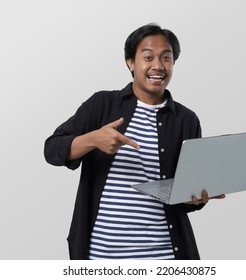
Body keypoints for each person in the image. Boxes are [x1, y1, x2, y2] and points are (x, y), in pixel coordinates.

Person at [44, 23, 225, 260]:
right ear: (130, 62)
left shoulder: (186, 120)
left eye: (166, 58)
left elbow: (181, 199)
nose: (158, 66)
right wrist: (93, 139)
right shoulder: (101, 105)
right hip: (101, 255)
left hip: (165, 256)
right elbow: (52, 149)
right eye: (148, 57)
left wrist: (197, 197)